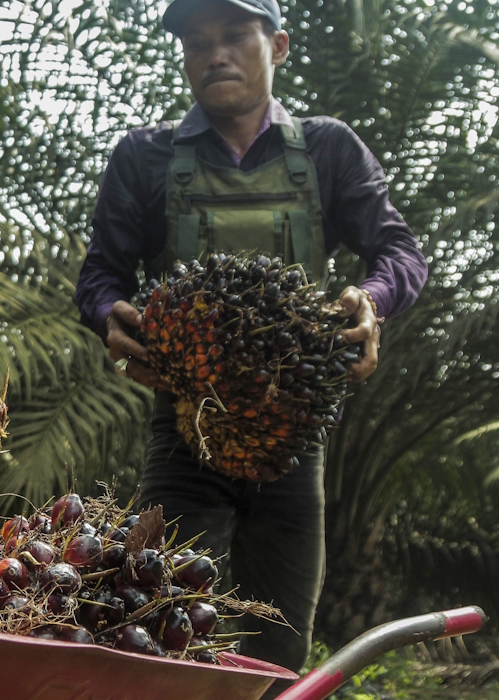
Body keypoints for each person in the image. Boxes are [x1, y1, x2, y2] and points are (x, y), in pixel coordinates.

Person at [74, 0, 428, 692]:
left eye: (234, 35)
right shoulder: (144, 156)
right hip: (184, 431)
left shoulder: (328, 149)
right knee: (157, 628)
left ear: (279, 46)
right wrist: (109, 316)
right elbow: (100, 276)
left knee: (278, 654)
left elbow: (399, 251)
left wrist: (372, 299)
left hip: (292, 439)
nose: (215, 55)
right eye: (196, 42)